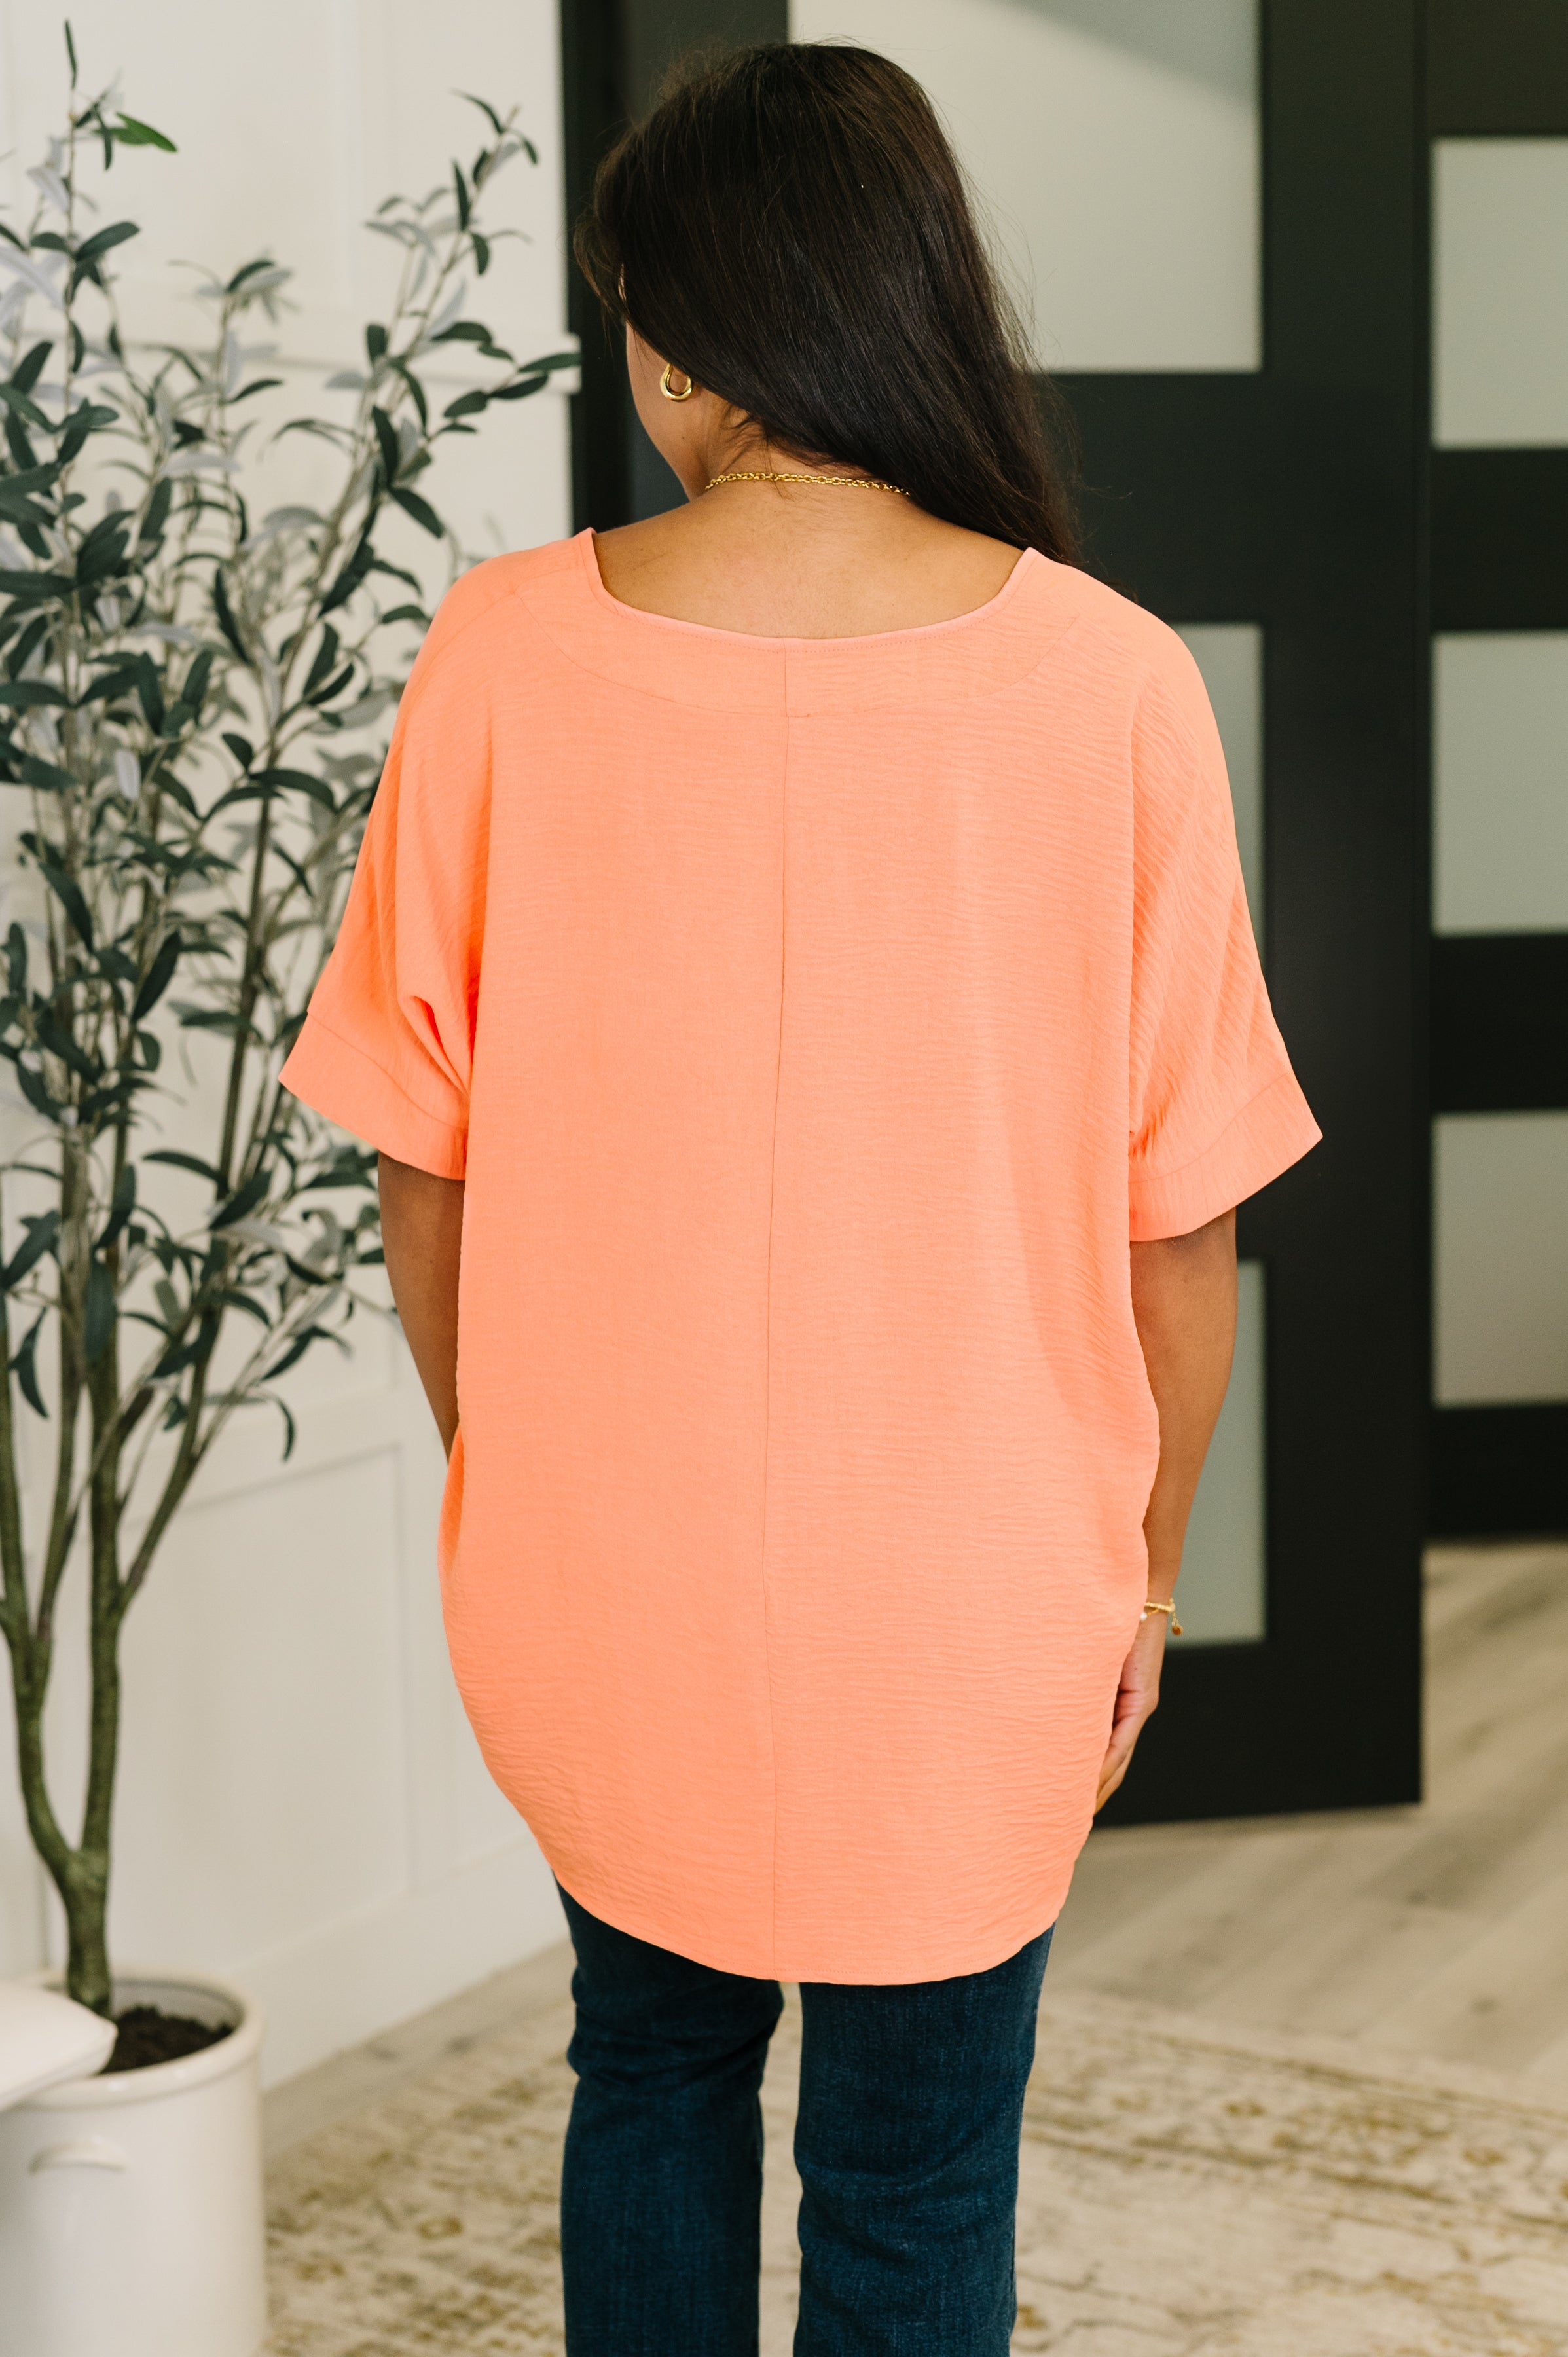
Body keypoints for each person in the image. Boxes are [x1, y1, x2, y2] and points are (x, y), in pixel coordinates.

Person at [278, 39, 1321, 2357]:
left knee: (643, 2067)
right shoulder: (1112, 689)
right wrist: (1139, 1572)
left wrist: (509, 1468)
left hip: (600, 1564)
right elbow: (1179, 1231)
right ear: (909, 296)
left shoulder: (500, 658)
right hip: (973, 1597)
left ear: (676, 329)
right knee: (916, 2166)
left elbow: (422, 1174)